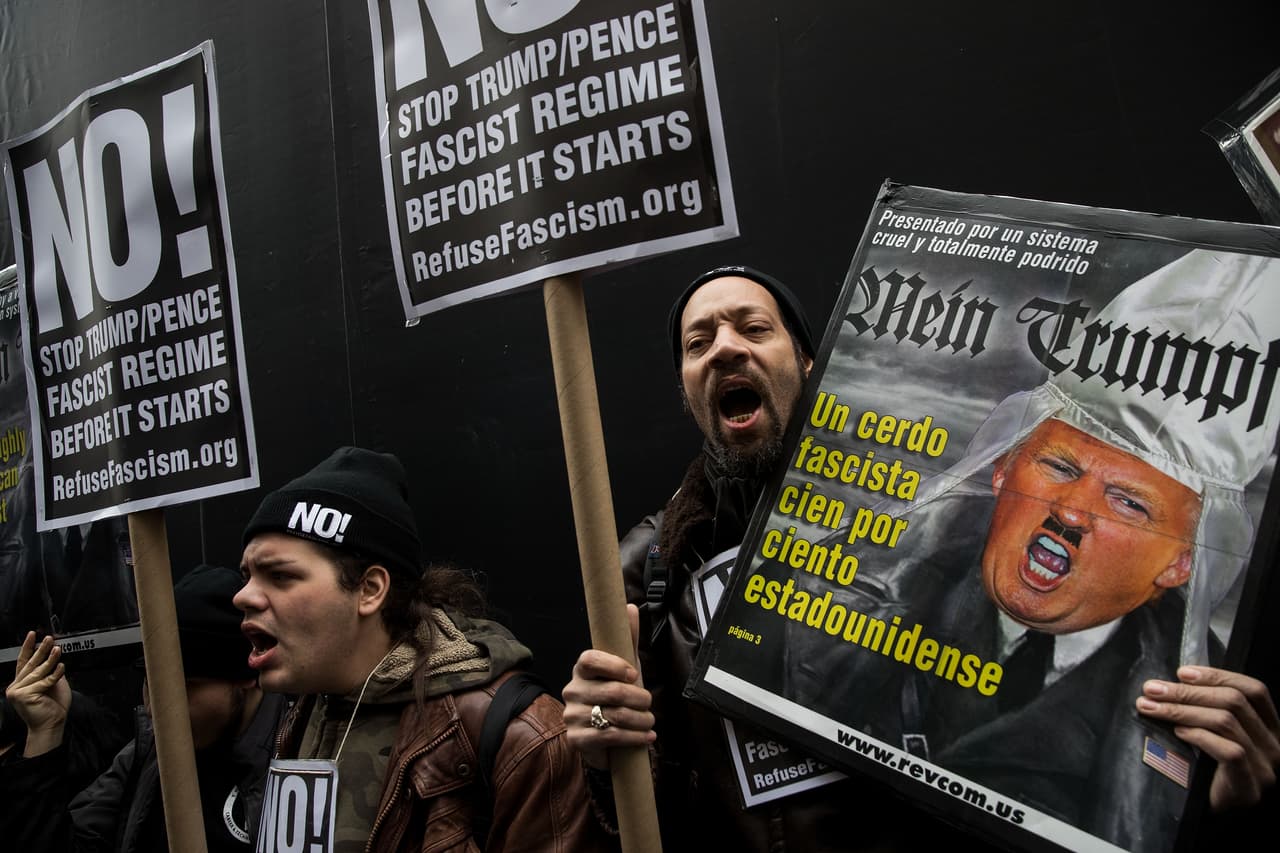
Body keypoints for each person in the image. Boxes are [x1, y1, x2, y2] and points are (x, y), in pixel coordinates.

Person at [560, 264, 1280, 851]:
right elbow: (644, 819)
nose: (724, 347)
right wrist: (605, 762)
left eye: (753, 327)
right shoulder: (648, 570)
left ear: (810, 363)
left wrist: (1219, 814)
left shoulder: (897, 528)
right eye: (698, 341)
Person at [235, 445, 607, 852]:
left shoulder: (520, 737)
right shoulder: (304, 712)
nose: (244, 597)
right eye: (248, 575)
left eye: (280, 575)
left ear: (370, 589)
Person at [0, 563, 290, 852]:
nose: (154, 710)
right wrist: (44, 735)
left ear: (245, 677)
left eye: (184, 687)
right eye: (151, 685)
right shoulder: (148, 753)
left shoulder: (295, 751)